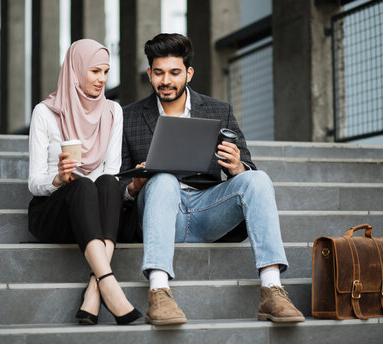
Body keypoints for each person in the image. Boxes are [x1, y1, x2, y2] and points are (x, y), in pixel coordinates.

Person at [119, 33, 304, 325]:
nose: (166, 80)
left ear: (189, 73)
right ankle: (158, 292)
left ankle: (272, 290)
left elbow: (247, 164)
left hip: (208, 210)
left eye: (174, 72)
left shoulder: (219, 110)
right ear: (149, 73)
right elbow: (116, 184)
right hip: (159, 210)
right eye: (159, 72)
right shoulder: (127, 116)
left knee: (258, 179)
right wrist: (134, 186)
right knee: (163, 179)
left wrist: (237, 166)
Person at [28, 39, 141, 325]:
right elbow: (34, 182)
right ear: (76, 70)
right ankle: (110, 284)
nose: (102, 79)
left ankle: (95, 288)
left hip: (96, 212)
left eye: (105, 71)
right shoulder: (46, 113)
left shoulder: (113, 112)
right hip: (55, 212)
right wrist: (58, 178)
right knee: (80, 185)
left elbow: (112, 172)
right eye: (94, 71)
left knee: (106, 182)